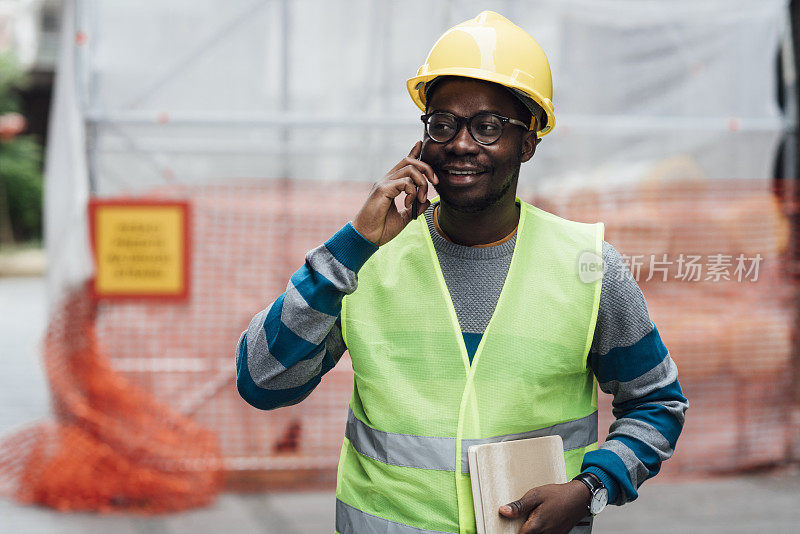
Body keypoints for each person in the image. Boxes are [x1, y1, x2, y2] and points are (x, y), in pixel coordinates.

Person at [236, 11, 688, 534]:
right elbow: (262, 381)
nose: (461, 143)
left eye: (488, 126)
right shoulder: (365, 263)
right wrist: (353, 245)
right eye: (443, 124)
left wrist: (589, 491)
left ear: (528, 143)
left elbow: (657, 402)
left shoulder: (588, 266)